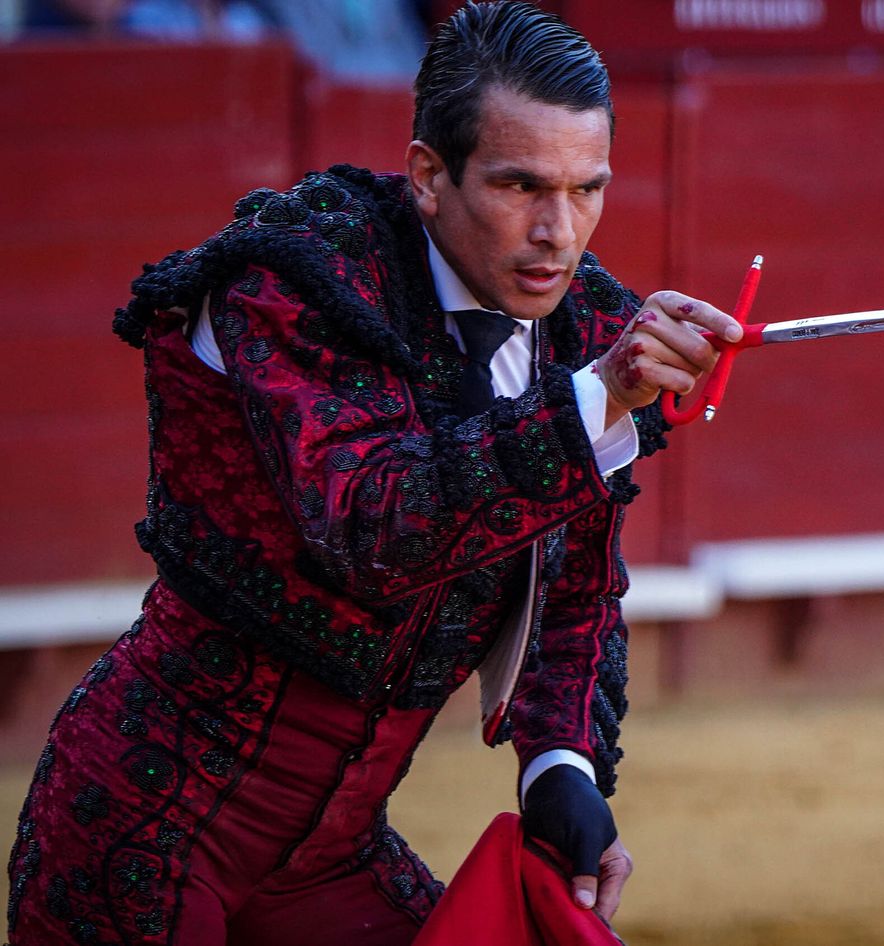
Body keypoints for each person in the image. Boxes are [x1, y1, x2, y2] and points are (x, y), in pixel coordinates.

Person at [5, 3, 742, 943]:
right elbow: (371, 526)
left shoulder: (587, 329)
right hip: (146, 831)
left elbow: (573, 589)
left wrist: (560, 766)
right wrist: (591, 401)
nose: (559, 232)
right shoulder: (294, 283)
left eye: (586, 189)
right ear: (429, 176)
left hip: (330, 859)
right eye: (521, 186)